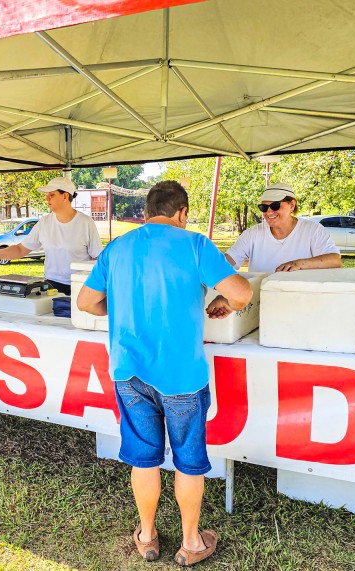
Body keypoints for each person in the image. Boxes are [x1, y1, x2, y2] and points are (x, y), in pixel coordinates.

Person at [76, 181, 252, 566]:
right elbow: (241, 294)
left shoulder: (118, 247)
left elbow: (87, 302)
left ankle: (147, 534)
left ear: (145, 213)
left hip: (129, 371)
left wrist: (119, 307)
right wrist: (221, 300)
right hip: (182, 376)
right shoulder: (195, 244)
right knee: (188, 460)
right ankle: (191, 542)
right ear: (183, 213)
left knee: (144, 458)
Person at [0, 176, 101, 295]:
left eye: (52, 195)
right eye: (47, 195)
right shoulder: (44, 222)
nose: (47, 199)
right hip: (50, 286)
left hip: (79, 286)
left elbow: (98, 259)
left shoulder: (86, 223)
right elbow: (21, 249)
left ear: (65, 196)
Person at [225, 182, 342, 273]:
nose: (269, 211)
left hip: (301, 298)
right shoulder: (252, 234)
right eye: (263, 207)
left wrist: (298, 264)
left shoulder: (313, 230)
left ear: (292, 205)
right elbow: (229, 261)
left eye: (275, 205)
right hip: (261, 298)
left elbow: (335, 260)